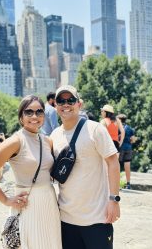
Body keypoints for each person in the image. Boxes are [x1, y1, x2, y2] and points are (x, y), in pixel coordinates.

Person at [0, 95, 62, 249]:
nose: (34, 116)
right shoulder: (15, 141)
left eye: (39, 112)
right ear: (21, 116)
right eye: (29, 112)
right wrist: (5, 200)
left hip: (49, 203)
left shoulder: (47, 141)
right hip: (27, 205)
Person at [50, 85, 120, 249]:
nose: (66, 104)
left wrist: (114, 200)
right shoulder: (54, 136)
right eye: (61, 101)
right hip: (66, 220)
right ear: (56, 106)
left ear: (79, 104)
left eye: (70, 100)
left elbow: (113, 162)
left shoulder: (95, 129)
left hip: (97, 219)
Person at [117, 114, 136, 190]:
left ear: (120, 120)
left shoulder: (118, 128)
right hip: (128, 148)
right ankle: (128, 184)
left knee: (117, 166)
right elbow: (133, 139)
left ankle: (117, 184)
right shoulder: (130, 128)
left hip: (120, 148)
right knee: (127, 166)